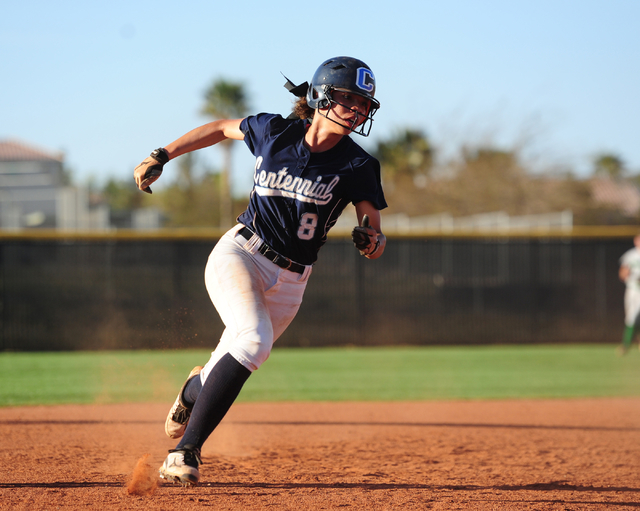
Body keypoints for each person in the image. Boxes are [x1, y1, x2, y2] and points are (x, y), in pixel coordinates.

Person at [133, 56, 387, 486]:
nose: (357, 109)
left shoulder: (359, 164)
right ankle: (184, 454)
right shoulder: (275, 131)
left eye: (364, 103)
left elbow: (374, 229)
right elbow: (218, 128)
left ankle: (193, 391)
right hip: (242, 254)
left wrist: (372, 240)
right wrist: (162, 154)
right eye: (347, 98)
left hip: (293, 280)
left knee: (239, 355)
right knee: (254, 341)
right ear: (321, 96)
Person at [618, 233, 640, 355]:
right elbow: (622, 274)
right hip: (634, 290)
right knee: (631, 317)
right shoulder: (631, 255)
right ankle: (625, 345)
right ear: (635, 241)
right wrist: (631, 277)